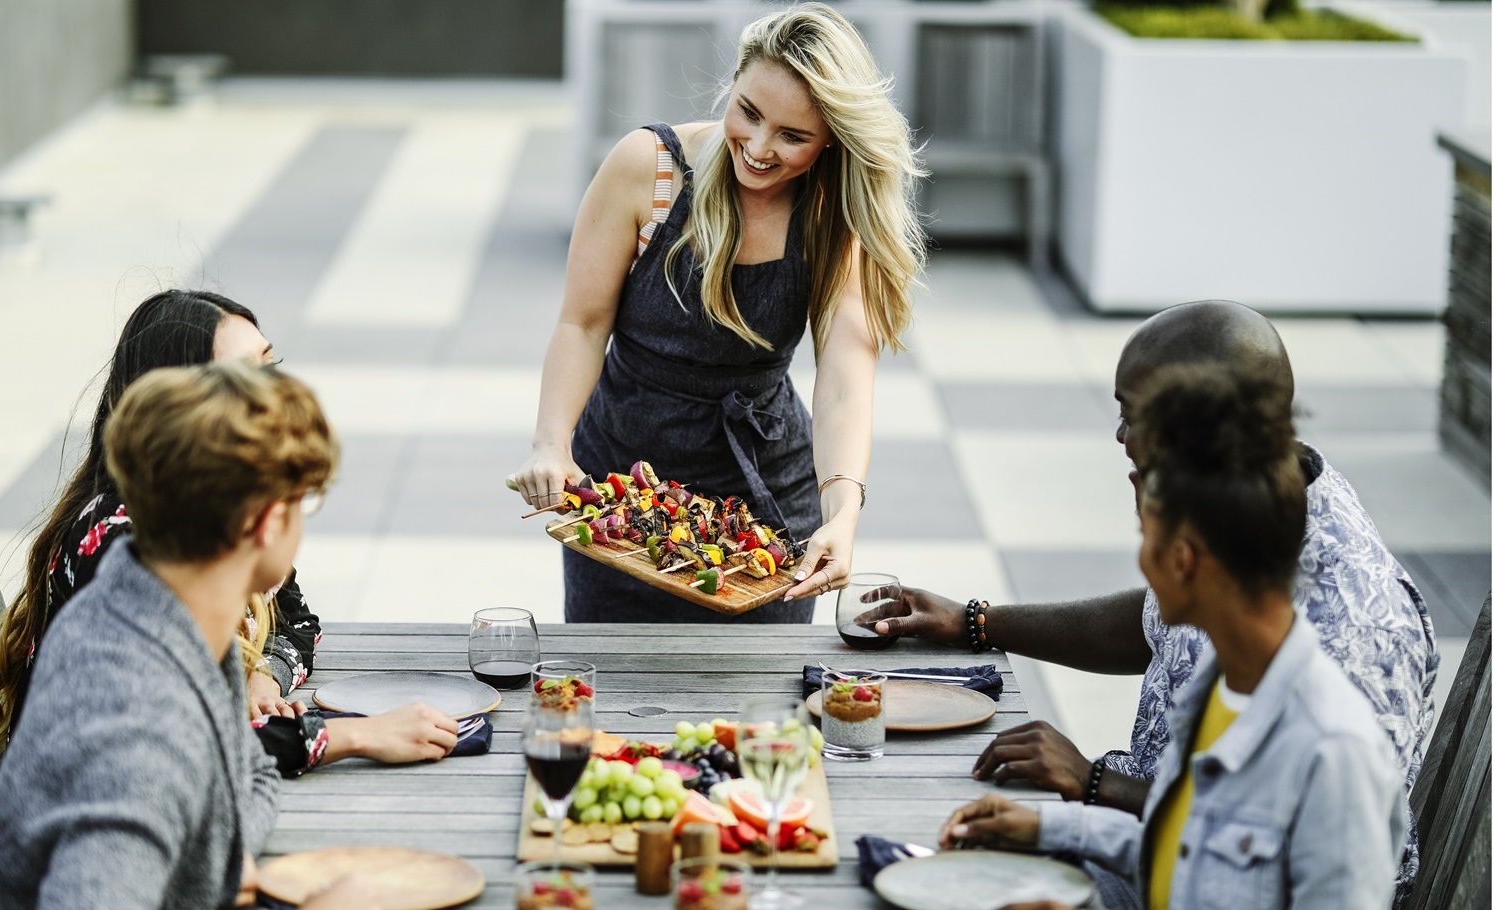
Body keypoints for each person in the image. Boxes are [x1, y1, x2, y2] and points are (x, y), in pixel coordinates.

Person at [861, 300, 1437, 897]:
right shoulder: (1236, 617)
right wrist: (975, 622)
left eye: (1130, 415)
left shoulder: (1355, 637)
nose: (1119, 436)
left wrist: (1093, 785)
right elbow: (1200, 838)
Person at [511, 2, 925, 621]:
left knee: (759, 709)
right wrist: (551, 442)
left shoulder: (834, 213)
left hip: (766, 494)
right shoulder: (648, 169)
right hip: (623, 488)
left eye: (793, 136)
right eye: (749, 112)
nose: (759, 148)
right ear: (731, 84)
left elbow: (843, 375)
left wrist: (842, 511)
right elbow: (582, 322)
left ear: (833, 139)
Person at [0, 290, 457, 779]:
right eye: (245, 380)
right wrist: (358, 736)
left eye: (270, 369)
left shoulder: (210, 511)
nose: (274, 398)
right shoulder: (121, 546)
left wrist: (261, 674)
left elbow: (295, 622)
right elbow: (182, 745)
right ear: (180, 404)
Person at [0, 362, 376, 909]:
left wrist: (219, 860)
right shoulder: (141, 724)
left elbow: (249, 773)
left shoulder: (149, 612)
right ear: (267, 522)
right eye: (302, 501)